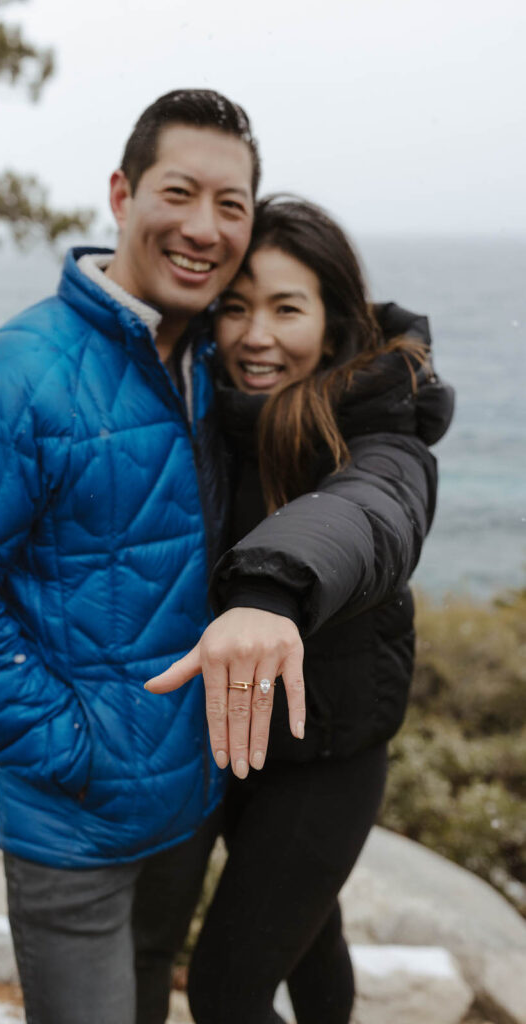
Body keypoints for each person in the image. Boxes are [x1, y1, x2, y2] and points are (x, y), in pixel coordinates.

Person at [0, 90, 304, 1024]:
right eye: (179, 192)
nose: (204, 227)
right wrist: (77, 751)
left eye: (231, 205)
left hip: (184, 807)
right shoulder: (14, 377)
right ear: (121, 193)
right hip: (74, 830)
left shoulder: (209, 360)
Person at [146, 196, 454, 1023]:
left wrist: (269, 590)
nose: (255, 336)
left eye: (287, 308)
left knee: (223, 987)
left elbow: (365, 512)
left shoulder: (383, 432)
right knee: (313, 945)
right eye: (236, 308)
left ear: (336, 317)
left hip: (327, 758)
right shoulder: (209, 412)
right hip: (237, 741)